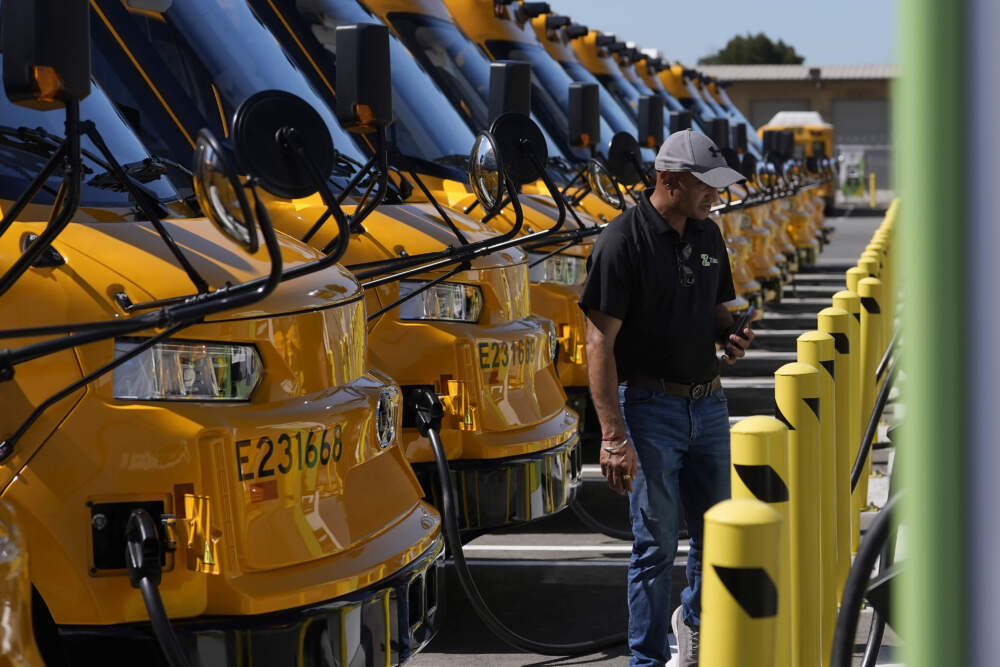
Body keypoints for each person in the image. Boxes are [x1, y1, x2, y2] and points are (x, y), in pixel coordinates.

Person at [578, 129, 754, 667]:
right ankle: (647, 661)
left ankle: (696, 634)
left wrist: (732, 334)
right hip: (650, 411)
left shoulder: (708, 235)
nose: (715, 197)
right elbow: (598, 343)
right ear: (668, 181)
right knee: (654, 548)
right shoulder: (621, 243)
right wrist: (612, 438)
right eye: (706, 187)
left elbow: (717, 314)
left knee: (717, 534)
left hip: (709, 404)